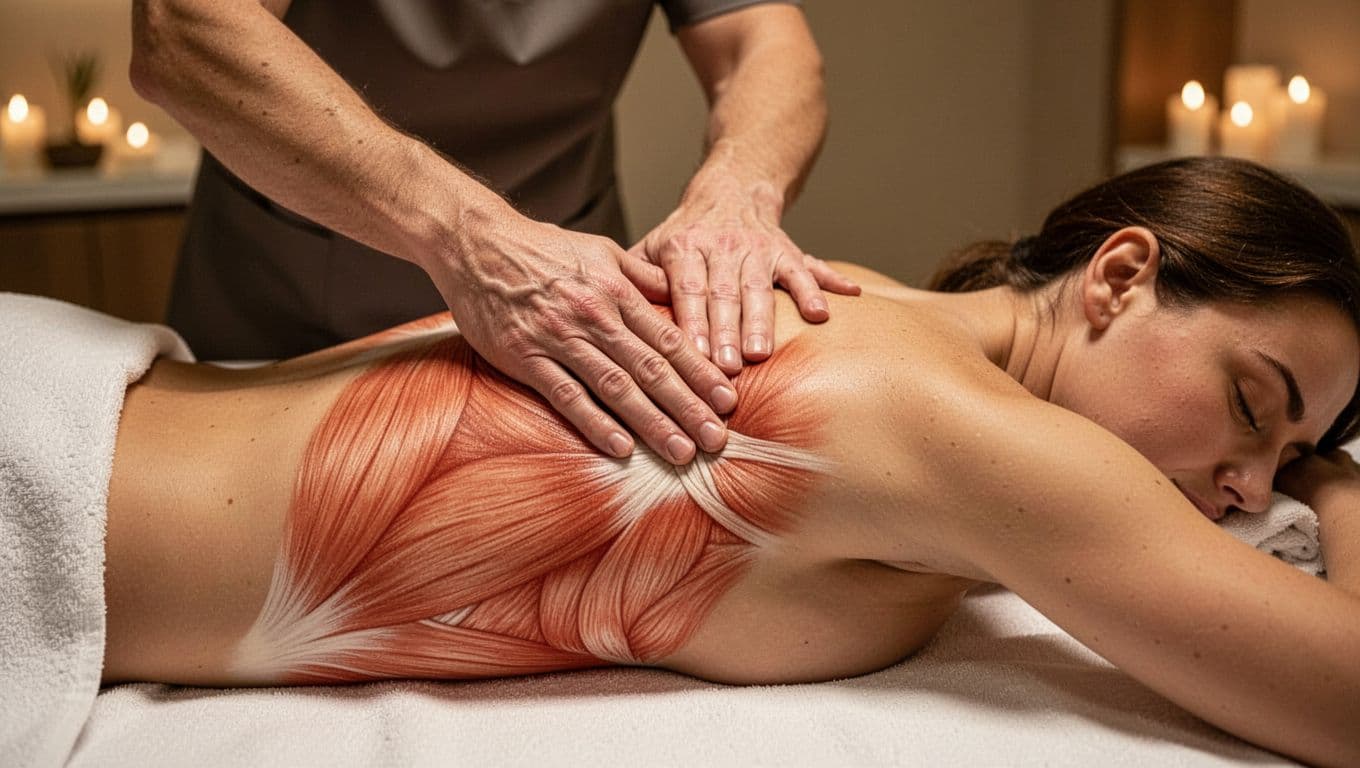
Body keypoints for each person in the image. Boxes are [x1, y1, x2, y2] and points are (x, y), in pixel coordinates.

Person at [98, 158, 1360, 766]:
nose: (1251, 484)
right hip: (51, 480)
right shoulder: (977, 438)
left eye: (1292, 459)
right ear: (1122, 276)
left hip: (111, 399)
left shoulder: (860, 295)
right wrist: (1347, 491)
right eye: (1254, 407)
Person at [129, 0, 860, 468]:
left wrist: (738, 187)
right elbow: (184, 29)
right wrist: (470, 239)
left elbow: (763, 41)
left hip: (575, 309)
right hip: (288, 306)